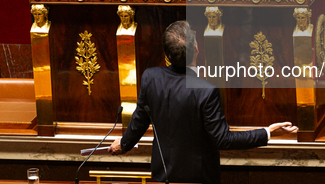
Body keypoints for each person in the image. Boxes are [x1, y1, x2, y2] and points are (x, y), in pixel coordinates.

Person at [108, 20, 297, 184]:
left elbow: (139, 120)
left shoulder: (150, 78)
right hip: (199, 179)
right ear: (196, 49)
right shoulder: (207, 92)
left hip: (162, 175)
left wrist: (124, 144)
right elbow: (223, 139)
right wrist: (268, 132)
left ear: (167, 54)